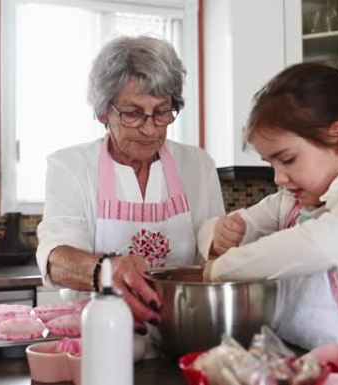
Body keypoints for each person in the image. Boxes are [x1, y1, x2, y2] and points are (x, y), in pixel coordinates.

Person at [199, 62, 338, 354]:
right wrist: (218, 237)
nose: (278, 178)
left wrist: (221, 269)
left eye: (288, 160)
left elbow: (323, 245)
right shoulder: (289, 201)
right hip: (301, 359)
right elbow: (217, 225)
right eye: (272, 164)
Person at [36, 35, 225, 332]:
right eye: (133, 113)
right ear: (103, 112)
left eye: (161, 112)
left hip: (178, 328)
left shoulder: (198, 166)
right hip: (99, 331)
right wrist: (105, 270)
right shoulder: (70, 166)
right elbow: (55, 259)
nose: (150, 128)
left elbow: (213, 254)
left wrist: (225, 240)